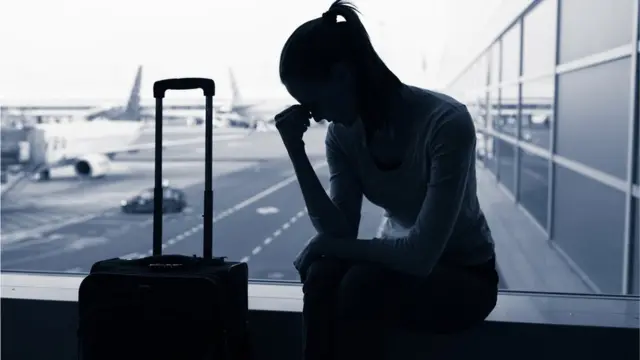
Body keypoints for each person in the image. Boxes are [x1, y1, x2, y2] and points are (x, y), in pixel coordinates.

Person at [274, 1, 499, 359]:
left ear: (343, 75)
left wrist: (327, 246)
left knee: (360, 285)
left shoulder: (445, 123)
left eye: (313, 101)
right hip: (396, 267)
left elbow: (421, 257)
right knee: (322, 274)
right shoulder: (343, 135)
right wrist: (295, 152)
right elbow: (340, 232)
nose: (314, 116)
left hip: (466, 276)